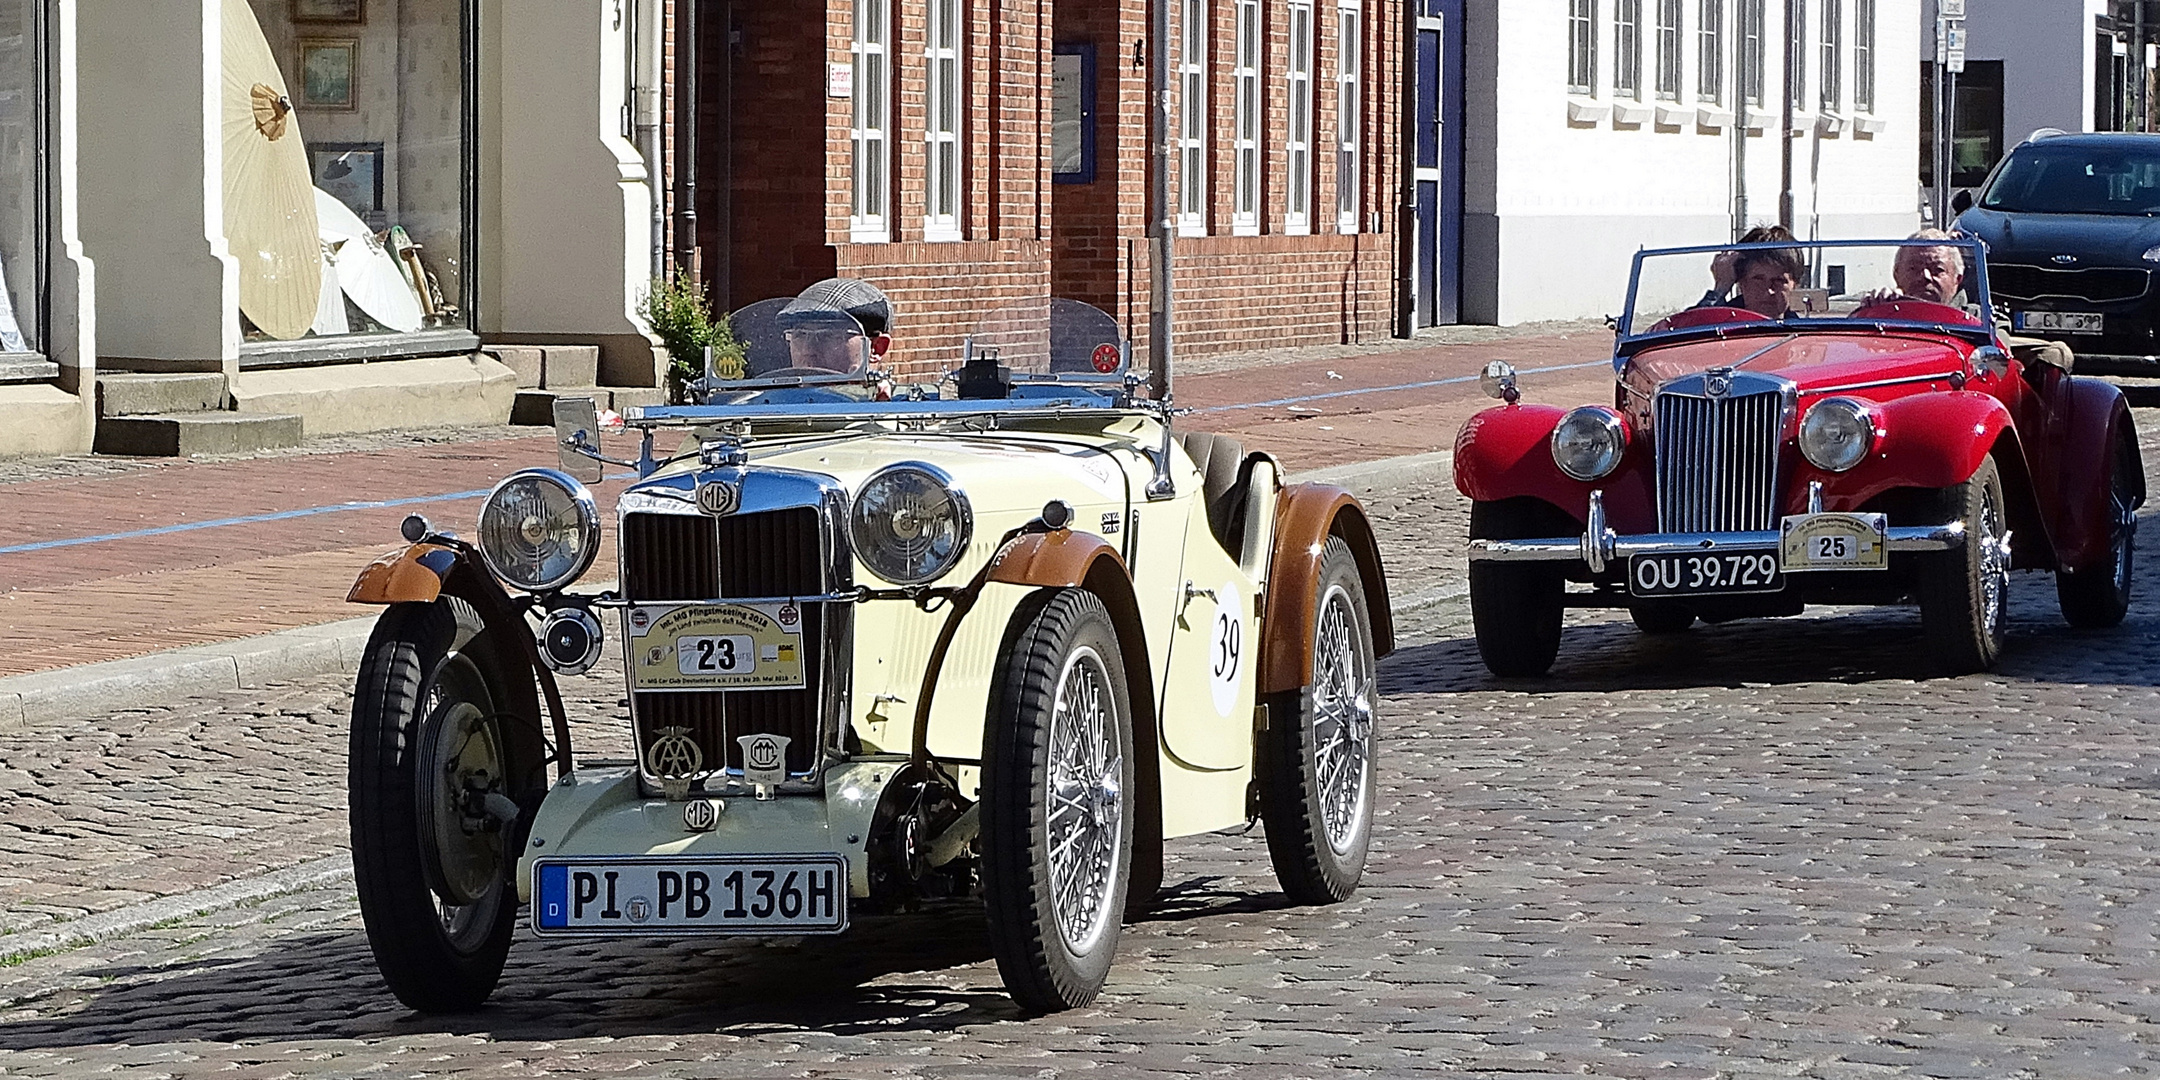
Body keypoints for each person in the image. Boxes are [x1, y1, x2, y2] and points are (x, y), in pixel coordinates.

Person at [775, 277, 894, 373]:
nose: (808, 350)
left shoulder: (897, 402)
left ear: (876, 348)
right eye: (799, 335)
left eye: (828, 335)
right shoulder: (773, 401)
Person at [1699, 224, 1805, 318]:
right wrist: (1720, 289)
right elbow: (1691, 329)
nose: (1769, 290)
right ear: (1741, 282)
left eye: (1779, 280)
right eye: (1758, 279)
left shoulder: (1803, 332)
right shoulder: (1721, 324)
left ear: (1795, 284)